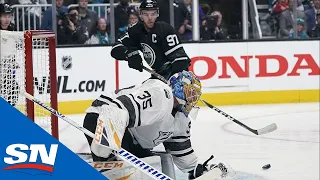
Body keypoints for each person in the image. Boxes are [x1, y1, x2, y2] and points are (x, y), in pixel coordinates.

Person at [83, 71, 230, 179]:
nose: (193, 98)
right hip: (102, 115)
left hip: (131, 138)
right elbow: (119, 107)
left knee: (156, 165)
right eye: (190, 92)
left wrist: (198, 170)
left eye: (195, 95)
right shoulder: (160, 94)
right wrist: (106, 139)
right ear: (179, 88)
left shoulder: (182, 119)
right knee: (124, 171)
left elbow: (182, 153)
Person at [110, 0, 190, 80]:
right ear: (141, 15)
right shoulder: (136, 31)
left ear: (157, 14)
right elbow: (115, 48)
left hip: (174, 72)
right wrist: (129, 54)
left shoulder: (165, 29)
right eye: (146, 14)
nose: (150, 18)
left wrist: (175, 79)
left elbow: (180, 60)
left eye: (153, 14)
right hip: (159, 74)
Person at [0, 3, 19, 107]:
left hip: (6, 70)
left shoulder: (12, 29)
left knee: (14, 89)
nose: (7, 19)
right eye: (3, 16)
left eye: (9, 16)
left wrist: (13, 61)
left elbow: (11, 47)